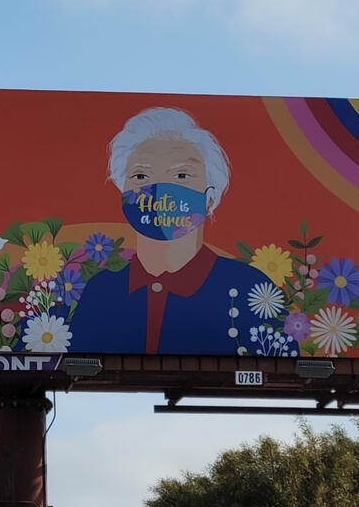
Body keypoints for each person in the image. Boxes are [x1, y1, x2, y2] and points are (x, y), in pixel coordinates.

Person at [71, 107, 278, 355]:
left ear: (210, 196)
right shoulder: (101, 291)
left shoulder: (251, 289)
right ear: (122, 192)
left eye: (181, 175)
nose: (160, 189)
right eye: (141, 175)